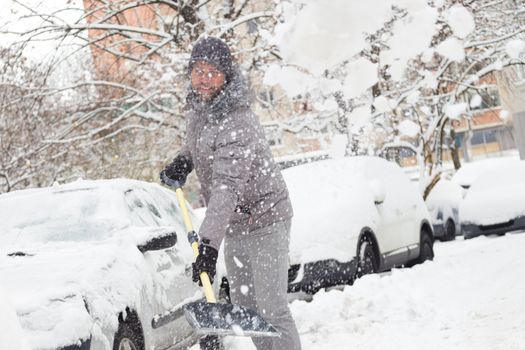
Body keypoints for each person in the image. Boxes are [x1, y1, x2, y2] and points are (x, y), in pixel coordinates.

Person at [161, 37, 302, 350]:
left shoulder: (237, 117)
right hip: (237, 225)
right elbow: (200, 144)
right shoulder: (198, 110)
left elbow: (227, 185)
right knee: (248, 309)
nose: (205, 78)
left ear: (226, 76)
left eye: (213, 71)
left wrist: (208, 245)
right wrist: (184, 160)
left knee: (271, 310)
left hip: (266, 218)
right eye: (199, 70)